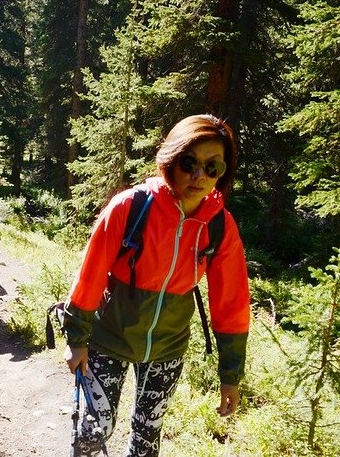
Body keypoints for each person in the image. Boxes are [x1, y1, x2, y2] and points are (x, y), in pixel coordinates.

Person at [62, 114, 250, 456]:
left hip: (167, 348)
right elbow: (91, 273)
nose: (199, 176)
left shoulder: (219, 225)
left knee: (147, 438)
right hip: (108, 338)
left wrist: (230, 374)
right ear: (172, 158)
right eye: (190, 162)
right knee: (95, 429)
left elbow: (232, 303)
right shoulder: (131, 206)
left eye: (213, 167)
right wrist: (76, 338)